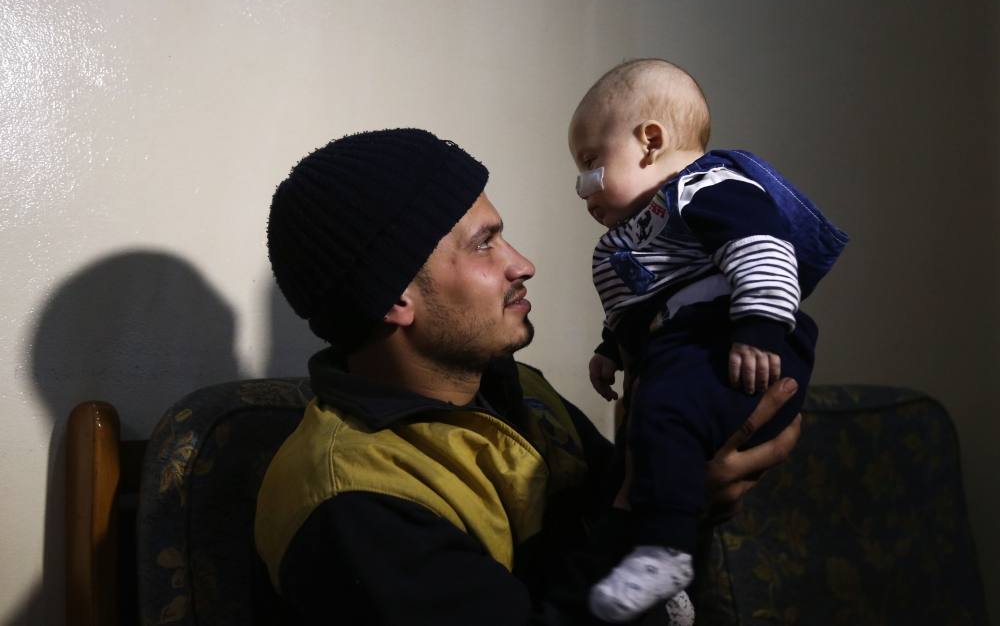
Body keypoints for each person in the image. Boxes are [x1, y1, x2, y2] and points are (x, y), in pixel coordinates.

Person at [253, 127, 804, 625]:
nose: (522, 264)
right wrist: (663, 502)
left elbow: (617, 517)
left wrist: (688, 463)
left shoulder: (518, 388)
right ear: (396, 297)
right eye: (483, 244)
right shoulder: (350, 501)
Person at [568, 59, 849, 622]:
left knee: (664, 417)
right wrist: (608, 348)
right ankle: (664, 585)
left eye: (590, 166)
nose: (581, 189)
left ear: (651, 141)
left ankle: (666, 555)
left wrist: (759, 329)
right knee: (636, 455)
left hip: (737, 341)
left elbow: (764, 251)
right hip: (687, 350)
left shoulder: (706, 189)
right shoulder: (642, 229)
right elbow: (649, 292)